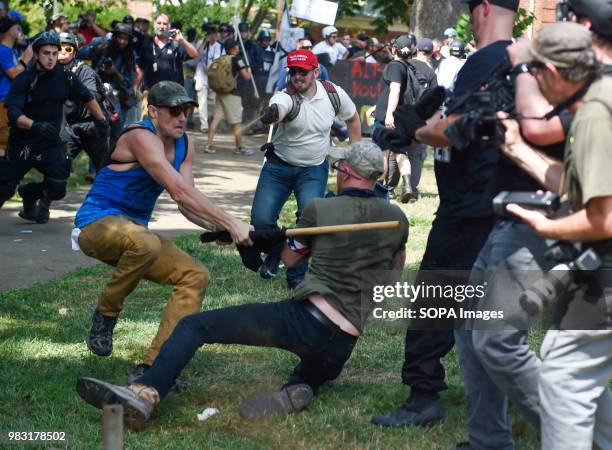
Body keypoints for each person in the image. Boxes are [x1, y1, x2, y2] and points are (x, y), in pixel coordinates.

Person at [75, 141, 409, 427]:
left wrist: (280, 242)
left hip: (307, 321)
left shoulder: (320, 208)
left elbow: (290, 261)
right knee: (312, 370)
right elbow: (392, 280)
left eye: (339, 167)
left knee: (194, 326)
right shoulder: (398, 219)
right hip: (344, 343)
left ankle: (146, 393)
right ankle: (301, 387)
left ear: (348, 171)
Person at [370, 0, 517, 436]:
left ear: (484, 8)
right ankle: (495, 405)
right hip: (495, 202)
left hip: (468, 205)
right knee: (486, 314)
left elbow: (448, 130)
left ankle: (422, 397)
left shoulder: (485, 60)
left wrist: (412, 128)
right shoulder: (516, 62)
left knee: (434, 301)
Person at [74, 81, 253, 383]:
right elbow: (179, 192)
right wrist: (231, 220)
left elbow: (187, 203)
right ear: (154, 112)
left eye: (186, 110)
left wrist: (220, 227)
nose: (182, 117)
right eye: (174, 111)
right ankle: (106, 313)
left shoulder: (184, 144)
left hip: (136, 235)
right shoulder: (141, 136)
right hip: (96, 225)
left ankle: (157, 367)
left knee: (195, 275)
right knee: (145, 243)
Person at [498, 21, 611, 450]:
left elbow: (604, 218)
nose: (535, 81)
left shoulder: (597, 114)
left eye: (536, 72)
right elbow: (584, 182)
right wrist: (516, 148)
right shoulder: (598, 101)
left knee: (564, 379)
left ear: (555, 71)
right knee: (580, 379)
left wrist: (547, 226)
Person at [250, 49, 361, 287]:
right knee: (260, 221)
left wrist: (355, 153)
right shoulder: (285, 96)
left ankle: (296, 278)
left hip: (313, 169)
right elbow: (279, 108)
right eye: (293, 72)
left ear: (316, 72)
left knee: (308, 221)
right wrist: (270, 115)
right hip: (278, 167)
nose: (297, 77)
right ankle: (278, 247)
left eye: (303, 72)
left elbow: (353, 119)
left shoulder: (333, 94)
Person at [0, 31, 106, 221]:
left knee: (57, 188)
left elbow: (87, 97)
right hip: (23, 144)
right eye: (46, 53)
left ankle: (29, 194)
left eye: (54, 54)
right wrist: (35, 125)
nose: (51, 58)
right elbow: (13, 113)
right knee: (4, 189)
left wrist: (101, 121)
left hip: (49, 143)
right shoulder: (24, 79)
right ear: (37, 54)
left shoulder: (66, 77)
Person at [371, 34, 437, 203]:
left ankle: (379, 190)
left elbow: (395, 90)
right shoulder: (409, 67)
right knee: (400, 153)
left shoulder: (394, 66)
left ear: (394, 50)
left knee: (382, 154)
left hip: (389, 117)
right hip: (400, 117)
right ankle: (407, 185)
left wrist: (388, 114)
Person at [59, 32, 110, 176]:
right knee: (58, 168)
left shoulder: (83, 70)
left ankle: (114, 197)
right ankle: (39, 194)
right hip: (70, 128)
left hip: (92, 125)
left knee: (105, 171)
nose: (63, 53)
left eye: (68, 49)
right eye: (59, 49)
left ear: (74, 52)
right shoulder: (51, 72)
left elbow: (91, 95)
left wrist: (72, 85)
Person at [205, 39, 253, 156]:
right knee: (236, 121)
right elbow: (246, 77)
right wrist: (249, 69)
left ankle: (209, 145)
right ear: (233, 48)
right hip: (233, 94)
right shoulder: (238, 59)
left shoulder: (222, 59)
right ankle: (239, 147)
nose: (238, 48)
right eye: (236, 47)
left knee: (216, 118)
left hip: (220, 92)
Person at [140, 13, 199, 91]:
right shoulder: (147, 43)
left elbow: (195, 55)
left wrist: (183, 41)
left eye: (165, 24)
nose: (161, 26)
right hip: (151, 94)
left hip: (173, 95)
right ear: (154, 24)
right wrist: (135, 88)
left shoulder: (175, 44)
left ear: (169, 26)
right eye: (159, 23)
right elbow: (140, 68)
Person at [0, 17, 32, 156]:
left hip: (11, 102)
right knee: (3, 143)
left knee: (11, 142)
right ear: (9, 31)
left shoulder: (11, 51)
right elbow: (13, 74)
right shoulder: (2, 50)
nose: (21, 33)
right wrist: (25, 59)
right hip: (3, 103)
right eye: (18, 29)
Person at [194, 23, 223, 134]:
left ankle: (212, 123)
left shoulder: (219, 46)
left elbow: (219, 61)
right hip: (201, 76)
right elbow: (196, 54)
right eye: (210, 34)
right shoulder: (201, 43)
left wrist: (211, 70)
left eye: (214, 34)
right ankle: (204, 125)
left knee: (213, 102)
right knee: (202, 102)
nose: (212, 36)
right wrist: (204, 42)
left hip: (213, 78)